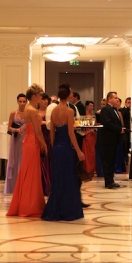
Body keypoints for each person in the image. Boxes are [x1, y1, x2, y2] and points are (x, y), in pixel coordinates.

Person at [42, 85, 86, 221]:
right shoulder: (69, 111)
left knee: (57, 179)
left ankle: (55, 209)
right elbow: (71, 133)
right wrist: (79, 151)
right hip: (66, 149)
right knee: (68, 179)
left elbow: (51, 132)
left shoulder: (54, 110)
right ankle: (68, 210)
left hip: (57, 148)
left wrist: (53, 147)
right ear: (67, 96)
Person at [6, 84, 48, 218]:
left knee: (28, 173)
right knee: (31, 174)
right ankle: (30, 206)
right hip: (33, 142)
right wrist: (44, 144)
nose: (42, 97)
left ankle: (26, 203)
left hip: (28, 142)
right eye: (40, 95)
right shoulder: (33, 110)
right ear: (34, 96)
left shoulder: (28, 109)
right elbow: (38, 131)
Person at [99, 91, 124, 189]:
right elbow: (107, 123)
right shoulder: (106, 110)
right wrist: (119, 129)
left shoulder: (114, 110)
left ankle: (111, 180)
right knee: (108, 161)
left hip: (113, 140)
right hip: (108, 140)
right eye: (115, 98)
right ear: (109, 99)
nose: (117, 99)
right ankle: (108, 181)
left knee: (111, 160)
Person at [3, 93, 27, 195]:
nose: (22, 103)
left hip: (26, 138)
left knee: (24, 160)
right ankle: (13, 186)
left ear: (26, 102)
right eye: (20, 101)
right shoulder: (13, 113)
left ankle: (24, 186)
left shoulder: (28, 113)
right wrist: (16, 130)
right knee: (15, 159)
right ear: (17, 102)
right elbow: (8, 127)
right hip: (16, 139)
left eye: (24, 101)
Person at [38, 93, 52, 196]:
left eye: (47, 99)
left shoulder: (50, 112)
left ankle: (49, 186)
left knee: (49, 161)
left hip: (49, 138)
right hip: (40, 139)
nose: (46, 101)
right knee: (41, 162)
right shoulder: (36, 112)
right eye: (43, 99)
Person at [82, 101, 97, 174]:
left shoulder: (93, 115)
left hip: (93, 135)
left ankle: (92, 168)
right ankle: (87, 168)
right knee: (87, 152)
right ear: (87, 106)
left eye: (92, 106)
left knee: (92, 152)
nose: (92, 107)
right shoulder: (84, 115)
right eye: (90, 106)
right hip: (87, 135)